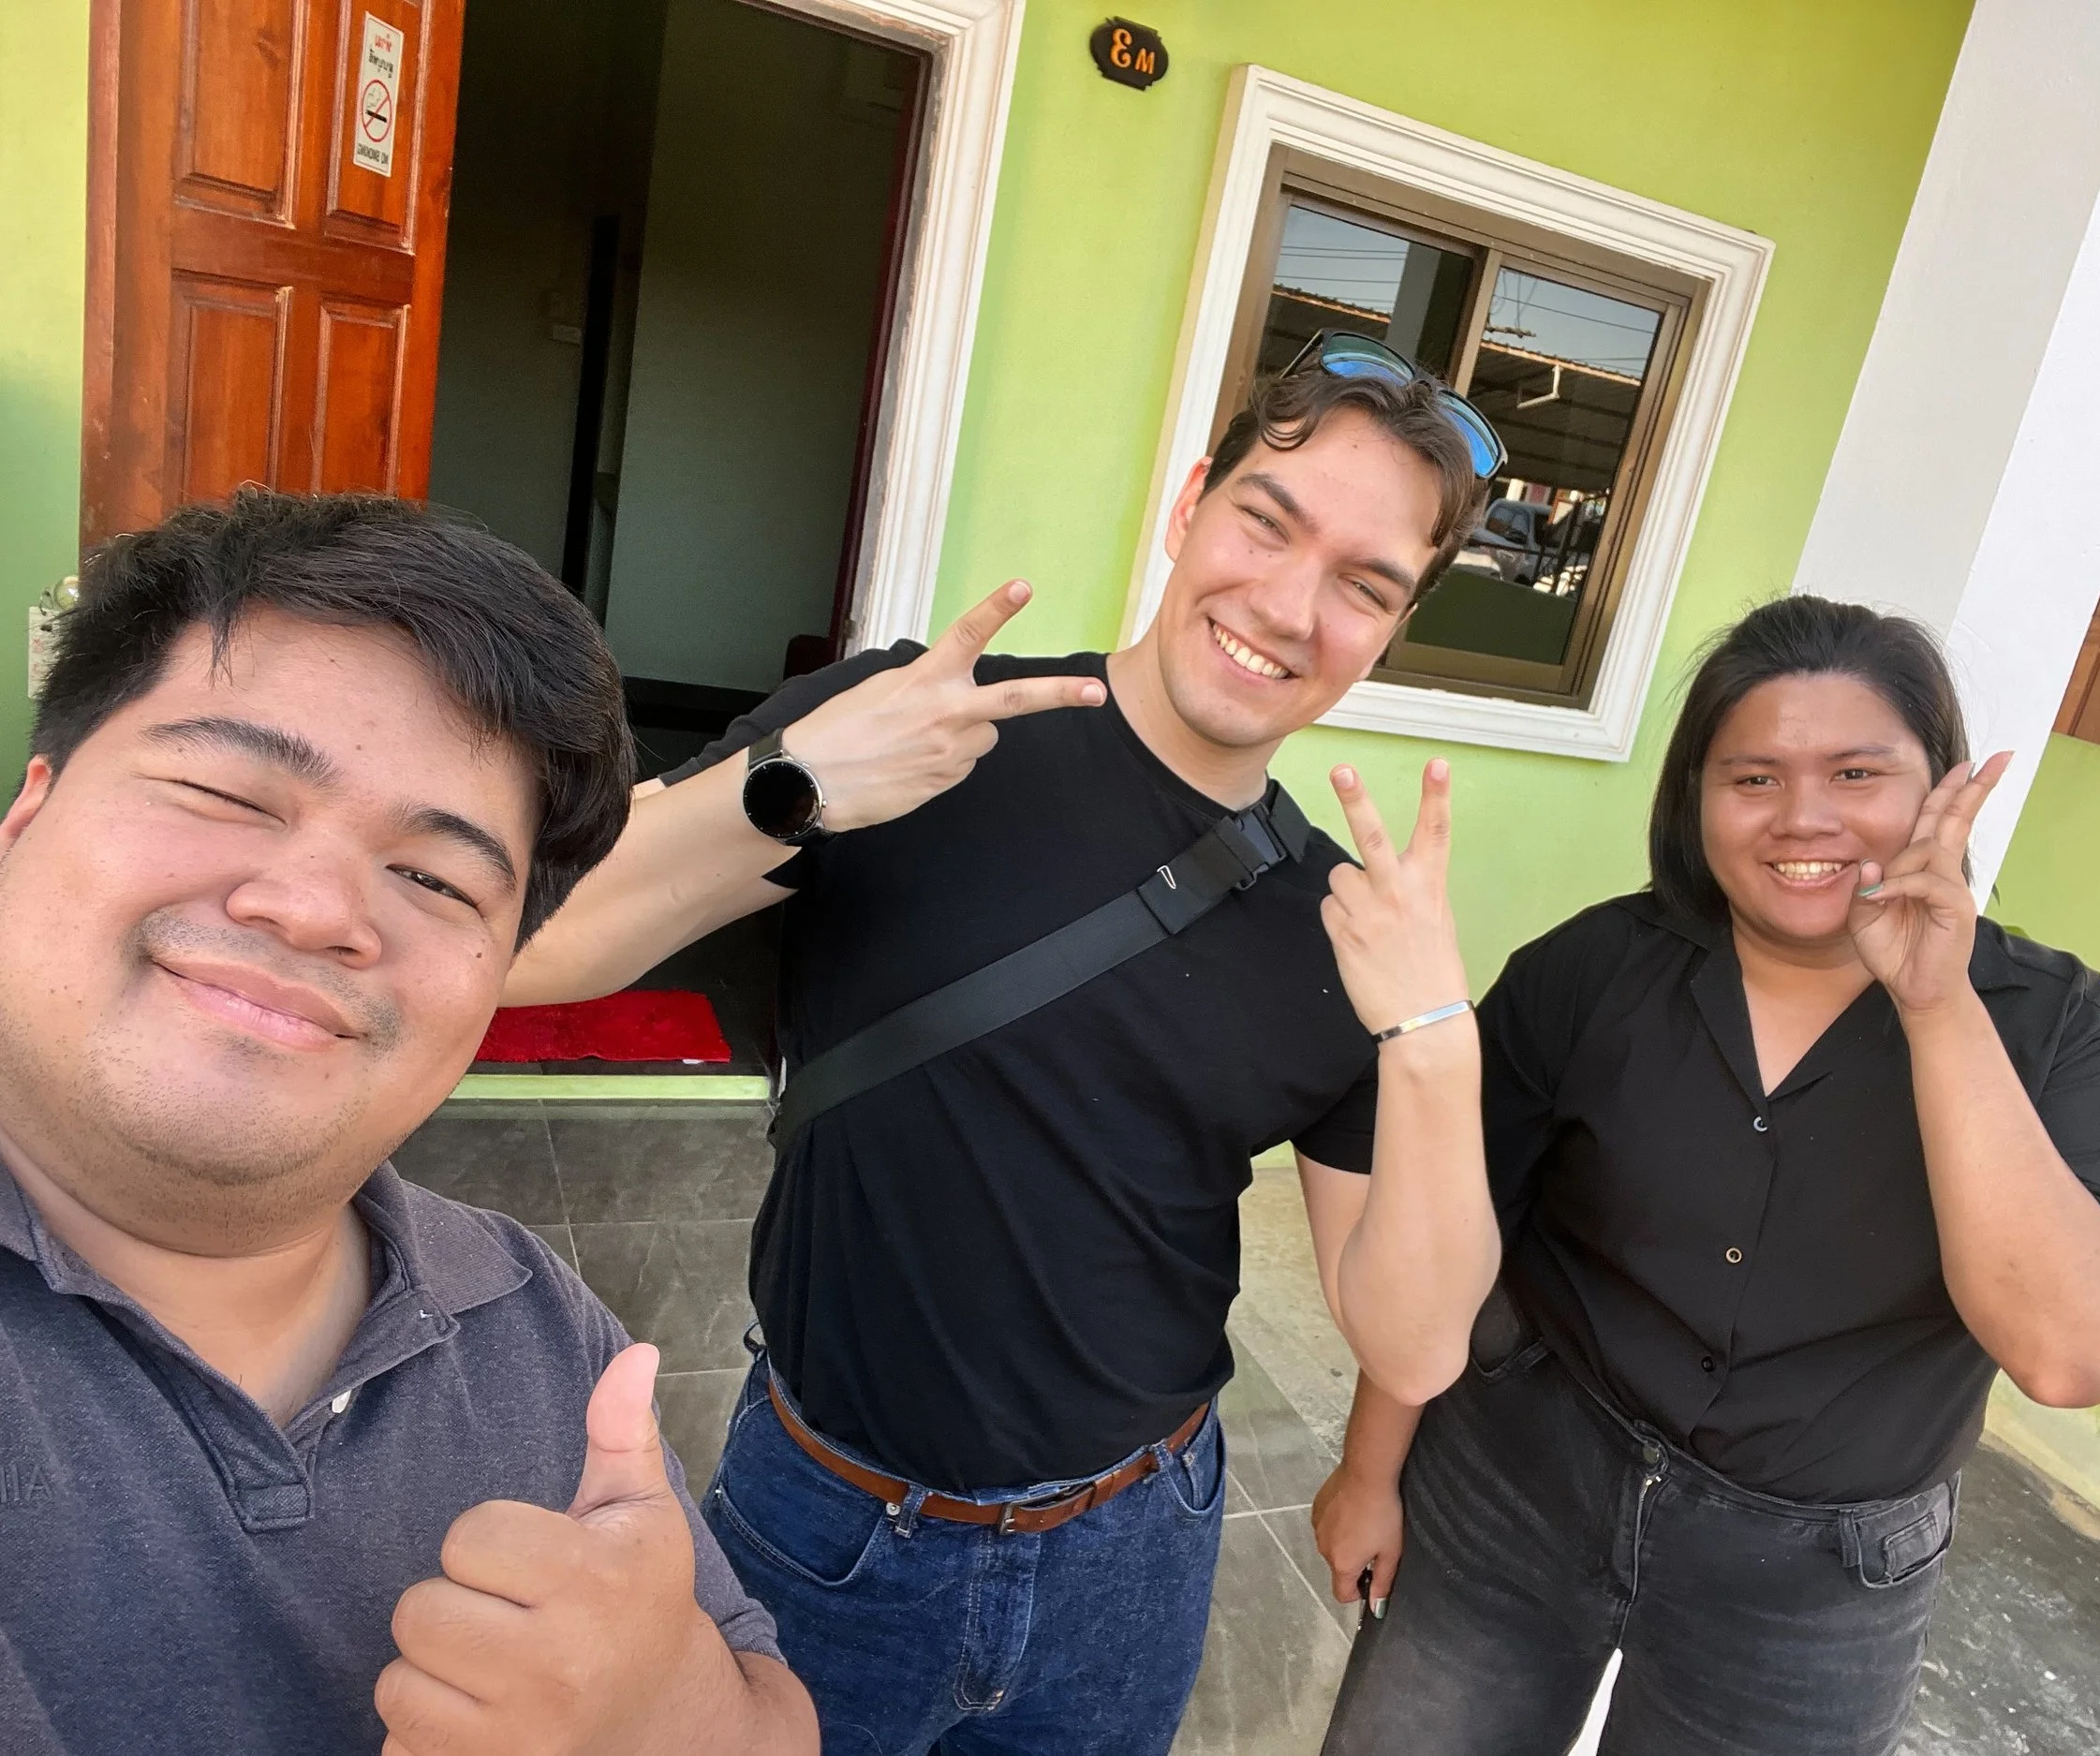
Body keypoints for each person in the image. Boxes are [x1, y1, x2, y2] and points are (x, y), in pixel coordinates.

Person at [505, 334, 1509, 1752]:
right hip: (825, 1522)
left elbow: (1410, 1337)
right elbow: (542, 942)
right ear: (1187, 507)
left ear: (1390, 632)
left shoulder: (1335, 927)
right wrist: (794, 789)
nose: (1289, 606)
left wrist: (1434, 1030)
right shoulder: (919, 725)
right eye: (1265, 523)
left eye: (1364, 586)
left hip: (1132, 1548)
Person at [0, 491, 817, 1756]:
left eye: (436, 876)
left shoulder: (531, 1317)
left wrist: (668, 1707)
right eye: (227, 790)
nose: (315, 904)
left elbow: (772, 1719)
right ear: (27, 813)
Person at [1310, 597, 2100, 1756]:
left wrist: (1936, 1005)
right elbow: (1455, 1238)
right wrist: (1369, 1474)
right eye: (1754, 779)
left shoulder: (2058, 1031)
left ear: (1937, 789)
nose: (1803, 819)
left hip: (1815, 1582)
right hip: (1521, 1483)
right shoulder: (1594, 971)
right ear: (1696, 801)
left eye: (1856, 773)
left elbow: (2068, 1356)